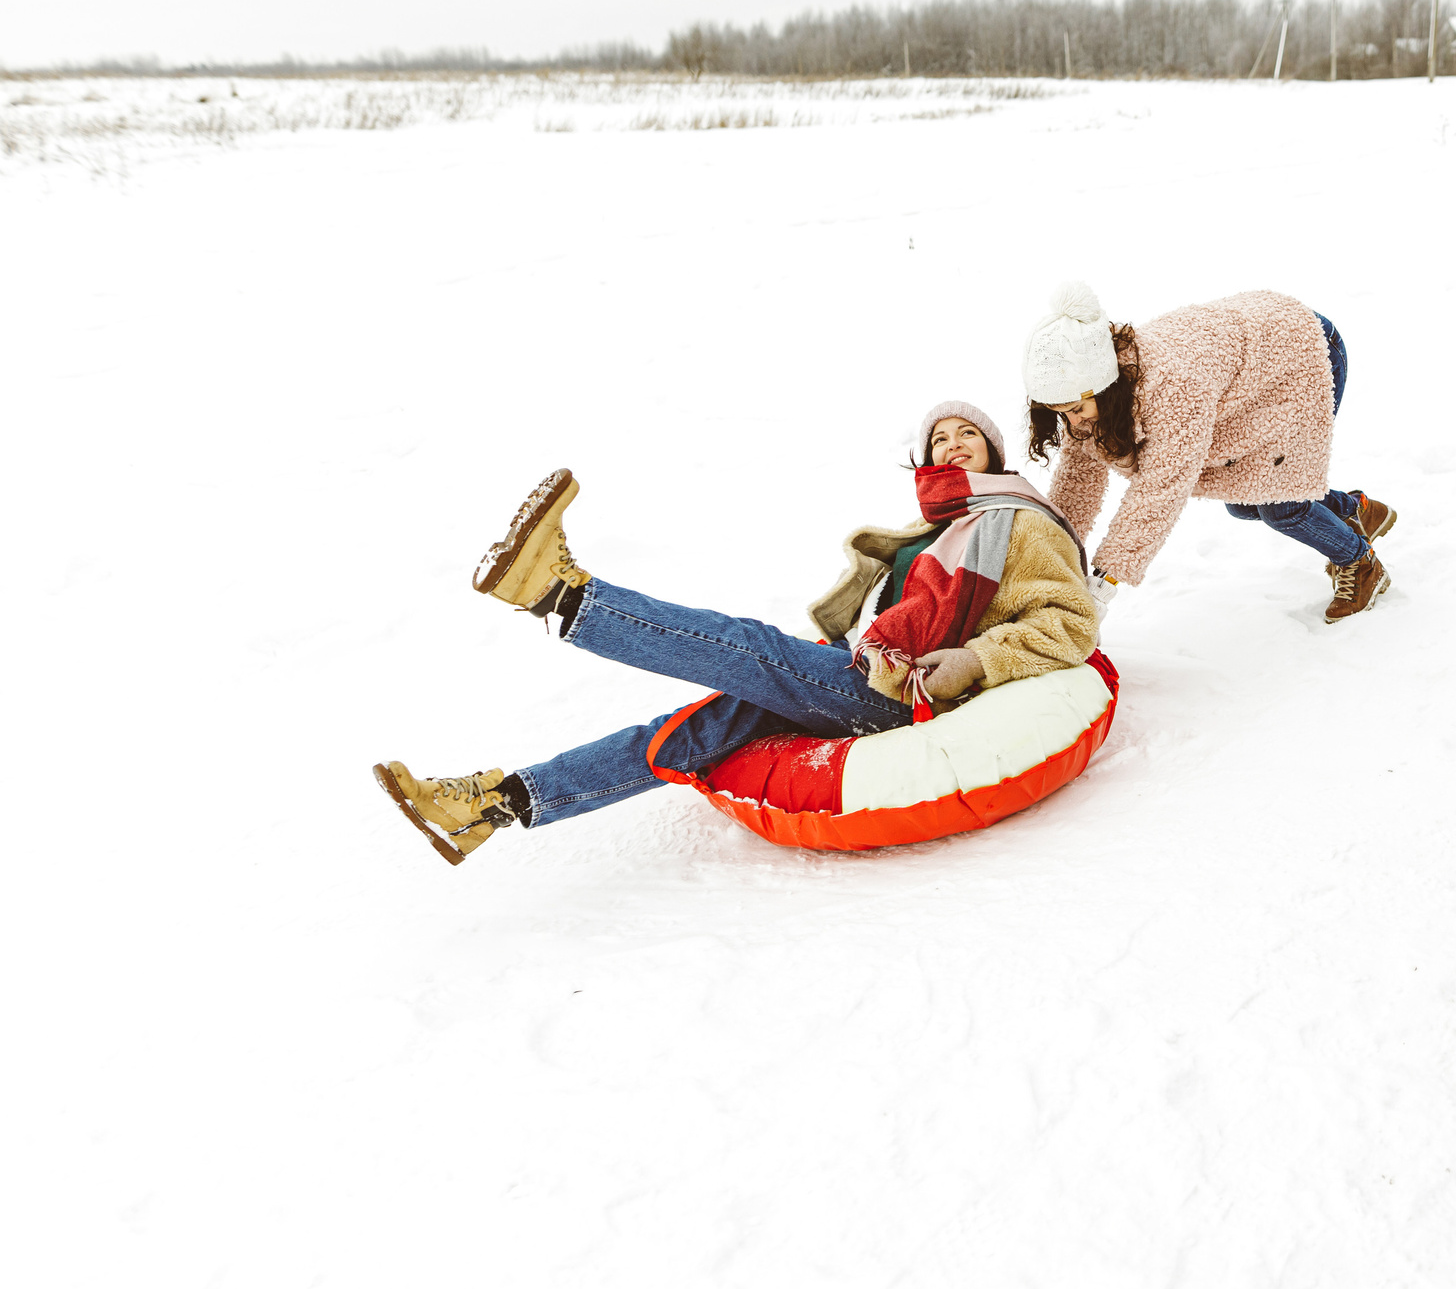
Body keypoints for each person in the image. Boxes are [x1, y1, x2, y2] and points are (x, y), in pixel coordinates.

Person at [374, 401, 1098, 865]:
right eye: (939, 437)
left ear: (995, 450)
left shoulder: (1020, 522)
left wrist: (973, 659)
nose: (952, 442)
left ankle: (561, 596)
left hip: (906, 693)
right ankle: (498, 802)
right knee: (683, 731)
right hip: (860, 668)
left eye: (967, 431)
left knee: (743, 643)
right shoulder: (942, 528)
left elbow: (1071, 623)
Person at [1021, 280, 1396, 623]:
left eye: (1074, 410)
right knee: (1243, 501)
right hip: (1252, 358)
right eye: (1059, 413)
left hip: (1302, 353)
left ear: (1104, 388)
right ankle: (1356, 511)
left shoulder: (1173, 391)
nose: (1073, 424)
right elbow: (1077, 481)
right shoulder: (1083, 384)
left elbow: (1159, 492)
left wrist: (1103, 583)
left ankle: (1360, 563)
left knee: (1281, 507)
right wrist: (1051, 555)